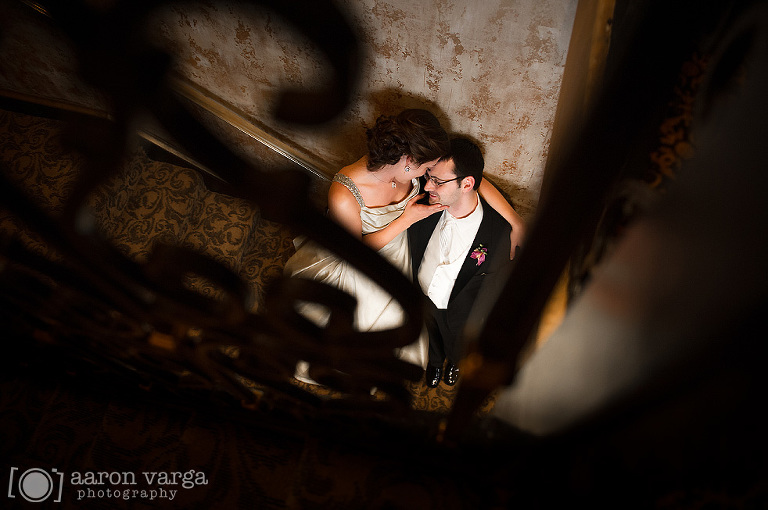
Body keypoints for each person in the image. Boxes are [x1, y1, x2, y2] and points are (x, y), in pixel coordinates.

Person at [284, 110, 523, 382]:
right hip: (361, 260)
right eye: (427, 170)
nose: (428, 177)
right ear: (409, 162)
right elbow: (354, 253)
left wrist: (516, 222)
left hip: (405, 245)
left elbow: (472, 181)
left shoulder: (409, 169)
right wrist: (406, 219)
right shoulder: (344, 193)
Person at [408, 137, 513, 388]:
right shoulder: (418, 207)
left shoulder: (499, 232)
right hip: (422, 296)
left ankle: (454, 362)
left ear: (466, 184)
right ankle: (434, 362)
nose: (426, 187)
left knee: (457, 341)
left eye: (438, 181)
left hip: (462, 310)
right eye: (428, 176)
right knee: (430, 333)